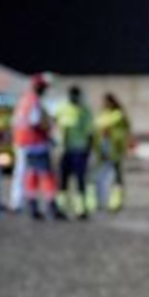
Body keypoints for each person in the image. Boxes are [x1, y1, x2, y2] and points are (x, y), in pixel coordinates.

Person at [13, 74, 65, 221]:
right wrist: (49, 128)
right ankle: (51, 206)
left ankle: (32, 206)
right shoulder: (34, 101)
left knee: (32, 175)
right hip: (37, 143)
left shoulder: (24, 100)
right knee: (47, 176)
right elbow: (35, 121)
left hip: (25, 144)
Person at [54, 85, 94, 219]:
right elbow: (55, 126)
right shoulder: (61, 108)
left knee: (80, 180)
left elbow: (90, 132)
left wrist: (89, 150)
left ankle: (80, 209)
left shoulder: (84, 111)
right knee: (63, 180)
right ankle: (61, 207)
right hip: (64, 149)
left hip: (80, 150)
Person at [93, 93, 131, 213]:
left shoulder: (118, 115)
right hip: (102, 150)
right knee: (101, 177)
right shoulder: (101, 115)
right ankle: (100, 201)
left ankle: (115, 203)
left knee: (116, 178)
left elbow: (125, 132)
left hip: (114, 150)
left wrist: (124, 147)